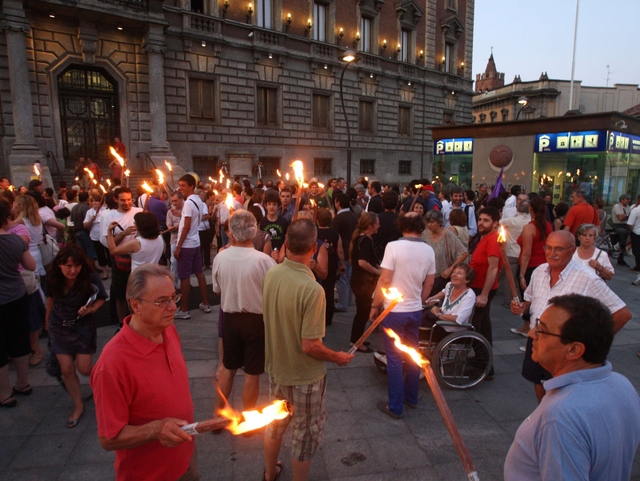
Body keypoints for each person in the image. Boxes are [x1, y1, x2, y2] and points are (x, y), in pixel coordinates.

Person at [504, 294, 640, 481]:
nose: (531, 334)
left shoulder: (560, 415)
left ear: (574, 350)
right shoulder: (621, 384)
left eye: (542, 330)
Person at [262, 218, 354, 481]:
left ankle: (270, 474)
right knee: (305, 435)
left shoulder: (271, 273)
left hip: (277, 369)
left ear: (287, 244)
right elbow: (310, 345)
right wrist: (337, 356)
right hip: (304, 378)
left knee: (275, 426)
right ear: (314, 248)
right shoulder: (312, 289)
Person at [91, 264, 199, 481]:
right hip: (148, 474)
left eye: (173, 297)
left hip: (185, 460)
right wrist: (155, 430)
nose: (172, 307)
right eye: (162, 301)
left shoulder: (167, 329)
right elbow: (108, 438)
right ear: (136, 306)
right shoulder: (112, 364)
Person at [510, 230, 631, 402]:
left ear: (572, 250)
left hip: (564, 348)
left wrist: (594, 343)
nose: (552, 254)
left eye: (559, 249)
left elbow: (622, 313)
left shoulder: (588, 278)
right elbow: (530, 300)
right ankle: (543, 418)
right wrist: (522, 307)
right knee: (539, 386)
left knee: (563, 395)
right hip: (537, 340)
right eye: (549, 248)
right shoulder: (539, 271)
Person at [211, 210, 276, 416]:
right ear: (253, 231)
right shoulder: (264, 261)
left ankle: (217, 415)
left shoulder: (220, 257)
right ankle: (248, 417)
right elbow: (271, 293)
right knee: (252, 373)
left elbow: (218, 290)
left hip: (230, 319)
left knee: (228, 368)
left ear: (230, 233)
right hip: (256, 321)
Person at [371, 212, 435, 418]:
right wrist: (421, 300)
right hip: (414, 310)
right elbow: (430, 281)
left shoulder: (393, 246)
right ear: (421, 228)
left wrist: (375, 304)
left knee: (395, 358)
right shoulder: (428, 250)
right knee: (412, 354)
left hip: (394, 311)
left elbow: (384, 280)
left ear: (402, 226)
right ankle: (411, 397)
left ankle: (395, 405)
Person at [46, 246, 107, 427]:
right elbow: (50, 302)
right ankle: (78, 405)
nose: (73, 270)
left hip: (82, 326)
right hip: (59, 326)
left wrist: (91, 309)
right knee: (66, 369)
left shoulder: (90, 277)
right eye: (68, 266)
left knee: (85, 368)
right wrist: (48, 328)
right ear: (59, 264)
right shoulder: (52, 278)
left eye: (77, 266)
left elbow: (101, 297)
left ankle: (108, 383)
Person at [0, 201, 36, 407]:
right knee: (19, 337)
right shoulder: (16, 241)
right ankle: (23, 383)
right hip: (16, 294)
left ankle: (4, 393)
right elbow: (30, 265)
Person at [469, 206, 502, 379]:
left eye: (486, 220)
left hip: (482, 289)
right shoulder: (485, 238)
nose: (481, 223)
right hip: (478, 286)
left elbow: (493, 268)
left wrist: (484, 294)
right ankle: (486, 363)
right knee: (483, 325)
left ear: (495, 223)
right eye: (480, 219)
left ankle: (484, 364)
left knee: (477, 326)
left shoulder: (493, 239)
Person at [100, 187, 142, 324]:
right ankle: (121, 322)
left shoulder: (139, 212)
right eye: (123, 200)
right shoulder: (109, 216)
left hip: (137, 258)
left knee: (136, 294)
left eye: (129, 199)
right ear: (116, 200)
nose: (126, 203)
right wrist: (123, 234)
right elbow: (109, 243)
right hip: (119, 259)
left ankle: (135, 321)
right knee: (120, 295)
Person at [511, 197, 552, 337]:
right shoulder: (547, 225)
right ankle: (529, 325)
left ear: (531, 209)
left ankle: (528, 326)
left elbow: (527, 253)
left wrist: (522, 274)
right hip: (543, 265)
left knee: (527, 297)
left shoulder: (530, 227)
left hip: (530, 267)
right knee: (537, 297)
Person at [174, 175, 211, 319]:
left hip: (187, 244)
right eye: (179, 185)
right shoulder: (198, 200)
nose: (180, 188)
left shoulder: (189, 203)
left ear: (191, 186)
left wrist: (178, 246)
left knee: (184, 277)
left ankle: (184, 309)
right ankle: (205, 302)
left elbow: (187, 226)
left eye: (183, 185)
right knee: (199, 272)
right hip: (195, 242)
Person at [348, 212, 380, 353]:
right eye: (377, 223)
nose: (379, 226)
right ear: (370, 226)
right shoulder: (365, 240)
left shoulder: (359, 239)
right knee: (363, 312)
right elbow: (362, 262)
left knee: (362, 312)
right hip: (363, 281)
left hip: (358, 279)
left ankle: (358, 338)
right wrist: (377, 271)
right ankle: (356, 342)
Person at [421, 210, 468, 296]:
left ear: (440, 222)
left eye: (432, 222)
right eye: (427, 222)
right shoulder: (425, 234)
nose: (429, 225)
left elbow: (464, 253)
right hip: (426, 276)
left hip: (441, 277)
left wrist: (450, 269)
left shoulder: (448, 235)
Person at [499, 198, 531, 305]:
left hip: (511, 252)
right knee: (521, 277)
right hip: (524, 253)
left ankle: (510, 299)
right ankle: (522, 298)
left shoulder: (512, 220)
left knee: (510, 278)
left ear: (517, 209)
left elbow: (499, 223)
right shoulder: (530, 222)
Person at [316, 208, 342, 326]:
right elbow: (339, 250)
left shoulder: (315, 233)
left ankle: (318, 316)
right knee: (329, 292)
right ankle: (328, 317)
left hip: (317, 265)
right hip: (331, 265)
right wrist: (342, 263)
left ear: (317, 220)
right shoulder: (335, 233)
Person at [333, 192, 358, 312]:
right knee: (348, 277)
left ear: (338, 203)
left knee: (342, 279)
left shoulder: (339, 218)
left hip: (342, 251)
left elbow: (335, 235)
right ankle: (347, 300)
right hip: (352, 250)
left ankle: (343, 304)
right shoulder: (353, 216)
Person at [83, 195, 109, 280]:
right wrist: (91, 220)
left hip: (106, 235)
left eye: (96, 201)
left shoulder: (106, 210)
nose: (94, 203)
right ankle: (104, 272)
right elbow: (85, 225)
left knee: (109, 252)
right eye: (92, 201)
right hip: (95, 236)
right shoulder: (89, 212)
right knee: (100, 254)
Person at [260, 190, 289, 261]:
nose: (271, 207)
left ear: (278, 206)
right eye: (269, 204)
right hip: (265, 256)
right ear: (265, 206)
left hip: (281, 256)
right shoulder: (262, 222)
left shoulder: (284, 222)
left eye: (274, 204)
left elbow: (286, 239)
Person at [372, 190, 401, 261]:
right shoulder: (401, 221)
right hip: (395, 256)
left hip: (377, 255)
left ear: (382, 204)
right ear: (397, 204)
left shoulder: (375, 219)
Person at [166, 191, 183, 288]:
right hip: (174, 238)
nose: (174, 203)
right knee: (174, 262)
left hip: (185, 239)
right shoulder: (169, 212)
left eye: (176, 201)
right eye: (172, 201)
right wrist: (171, 228)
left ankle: (186, 281)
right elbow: (168, 224)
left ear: (181, 199)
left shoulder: (186, 209)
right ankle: (174, 284)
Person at [612, 194, 631, 267]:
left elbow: (628, 216)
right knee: (624, 232)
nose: (628, 201)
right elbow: (620, 218)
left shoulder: (628, 207)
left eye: (629, 199)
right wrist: (627, 216)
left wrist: (625, 215)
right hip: (617, 225)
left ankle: (621, 257)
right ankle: (622, 246)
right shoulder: (617, 206)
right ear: (622, 200)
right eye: (627, 199)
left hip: (626, 225)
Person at [627, 194, 640, 272]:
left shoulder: (636, 210)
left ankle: (638, 267)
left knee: (636, 250)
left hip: (636, 232)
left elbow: (630, 223)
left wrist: (630, 230)